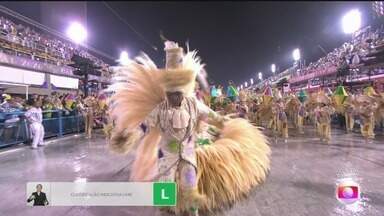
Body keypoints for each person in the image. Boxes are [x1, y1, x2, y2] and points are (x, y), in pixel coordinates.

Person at [109, 40, 270, 215]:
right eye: (171, 89)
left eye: (178, 89)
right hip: (166, 161)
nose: (175, 94)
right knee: (165, 200)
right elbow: (144, 126)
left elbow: (214, 118)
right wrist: (129, 137)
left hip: (189, 158)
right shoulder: (160, 109)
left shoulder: (193, 105)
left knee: (190, 197)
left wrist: (226, 123)